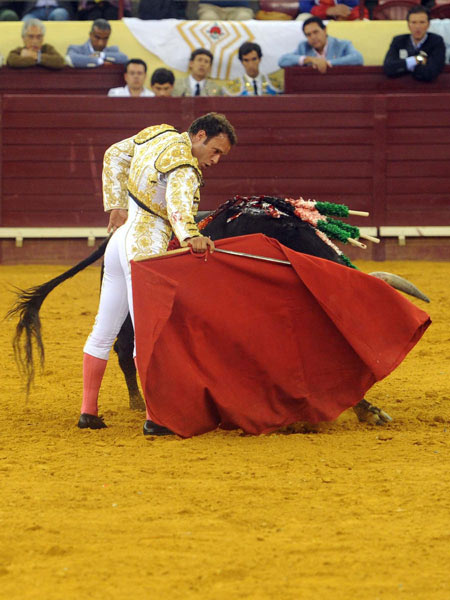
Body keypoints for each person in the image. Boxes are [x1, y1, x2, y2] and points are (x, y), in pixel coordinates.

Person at [78, 112, 237, 433]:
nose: (216, 160)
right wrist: (192, 235)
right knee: (149, 334)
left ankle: (88, 411)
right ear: (199, 135)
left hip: (119, 240)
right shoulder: (185, 164)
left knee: (103, 329)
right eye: (215, 150)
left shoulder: (157, 134)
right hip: (145, 246)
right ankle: (155, 417)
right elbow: (178, 201)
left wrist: (117, 204)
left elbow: (114, 154)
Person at [278, 16, 363, 74]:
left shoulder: (342, 44)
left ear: (325, 30)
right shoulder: (304, 46)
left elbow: (358, 58)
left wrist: (327, 63)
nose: (313, 37)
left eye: (316, 32)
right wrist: (309, 59)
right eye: (308, 35)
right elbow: (282, 61)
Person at [383, 6, 445, 83]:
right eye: (414, 22)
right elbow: (388, 68)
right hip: (400, 87)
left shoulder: (436, 41)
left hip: (427, 88)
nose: (417, 27)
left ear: (428, 24)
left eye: (422, 22)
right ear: (408, 25)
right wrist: (416, 60)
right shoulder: (398, 41)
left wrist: (404, 66)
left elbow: (431, 72)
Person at [299, 0, 368, 21]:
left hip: (344, 16)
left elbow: (355, 5)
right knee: (302, 18)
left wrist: (345, 13)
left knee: (364, 21)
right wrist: (326, 11)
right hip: (318, 16)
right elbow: (304, 6)